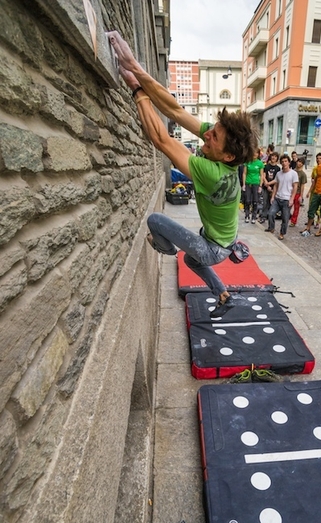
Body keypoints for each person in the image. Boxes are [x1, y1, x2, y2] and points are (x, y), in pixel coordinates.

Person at [107, 31, 257, 318]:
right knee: (191, 260)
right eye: (212, 129)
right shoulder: (224, 155)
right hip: (223, 243)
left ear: (227, 156)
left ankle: (163, 247)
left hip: (215, 248)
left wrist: (138, 91)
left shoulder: (214, 173)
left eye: (213, 136)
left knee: (155, 220)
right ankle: (225, 296)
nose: (207, 134)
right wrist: (135, 67)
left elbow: (162, 140)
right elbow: (175, 110)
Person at [265, 155, 298, 240]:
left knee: (285, 218)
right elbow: (276, 185)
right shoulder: (279, 174)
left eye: (286, 161)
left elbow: (295, 187)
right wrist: (273, 196)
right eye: (282, 161)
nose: (284, 163)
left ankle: (282, 233)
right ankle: (271, 228)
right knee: (271, 213)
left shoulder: (293, 174)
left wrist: (292, 199)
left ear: (289, 162)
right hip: (278, 198)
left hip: (287, 200)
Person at [242, 151, 264, 223]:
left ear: (258, 154)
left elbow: (261, 175)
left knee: (255, 201)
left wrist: (260, 185)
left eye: (256, 153)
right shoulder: (248, 162)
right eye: (253, 153)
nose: (254, 154)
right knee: (247, 200)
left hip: (256, 183)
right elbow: (244, 173)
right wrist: (244, 184)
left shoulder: (260, 163)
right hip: (248, 183)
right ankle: (247, 215)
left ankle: (254, 216)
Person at [259, 151, 281, 224]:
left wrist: (271, 186)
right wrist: (267, 184)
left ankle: (271, 217)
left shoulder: (278, 169)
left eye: (275, 156)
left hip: (273, 188)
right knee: (265, 202)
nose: (273, 157)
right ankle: (263, 216)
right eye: (272, 156)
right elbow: (263, 176)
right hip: (265, 187)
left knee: (272, 203)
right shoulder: (266, 166)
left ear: (277, 158)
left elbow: (277, 179)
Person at [306, 152, 321, 229]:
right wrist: (309, 191)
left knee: (319, 209)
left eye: (320, 158)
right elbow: (313, 180)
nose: (318, 160)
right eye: (317, 158)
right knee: (311, 207)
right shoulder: (315, 169)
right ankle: (311, 220)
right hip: (314, 191)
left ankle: (318, 222)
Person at [289, 156, 307, 227]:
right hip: (290, 192)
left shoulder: (303, 174)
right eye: (298, 161)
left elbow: (302, 185)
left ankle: (293, 221)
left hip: (298, 193)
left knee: (296, 209)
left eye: (301, 162)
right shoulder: (292, 171)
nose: (299, 163)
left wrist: (301, 196)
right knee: (287, 207)